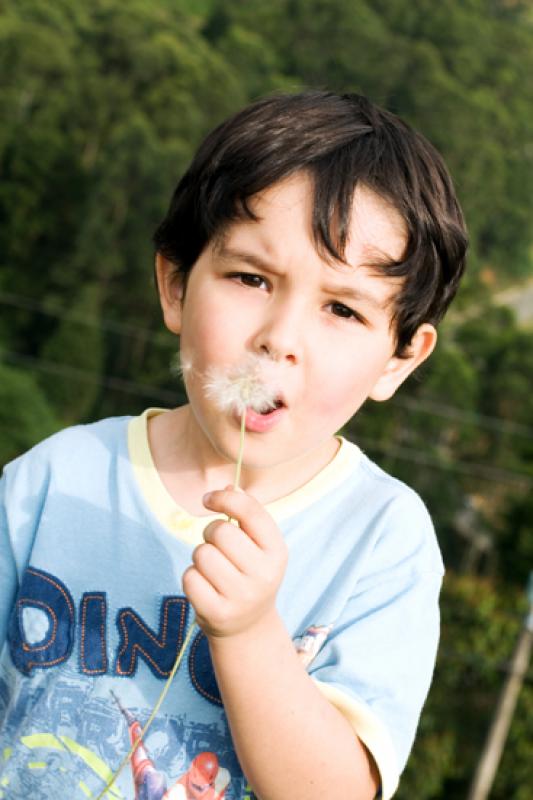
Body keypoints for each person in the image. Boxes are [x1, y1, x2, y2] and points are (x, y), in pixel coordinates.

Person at [0, 91, 467, 800]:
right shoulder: (56, 479)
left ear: (399, 358)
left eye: (340, 308)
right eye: (250, 278)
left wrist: (248, 633)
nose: (279, 336)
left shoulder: (381, 539)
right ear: (175, 285)